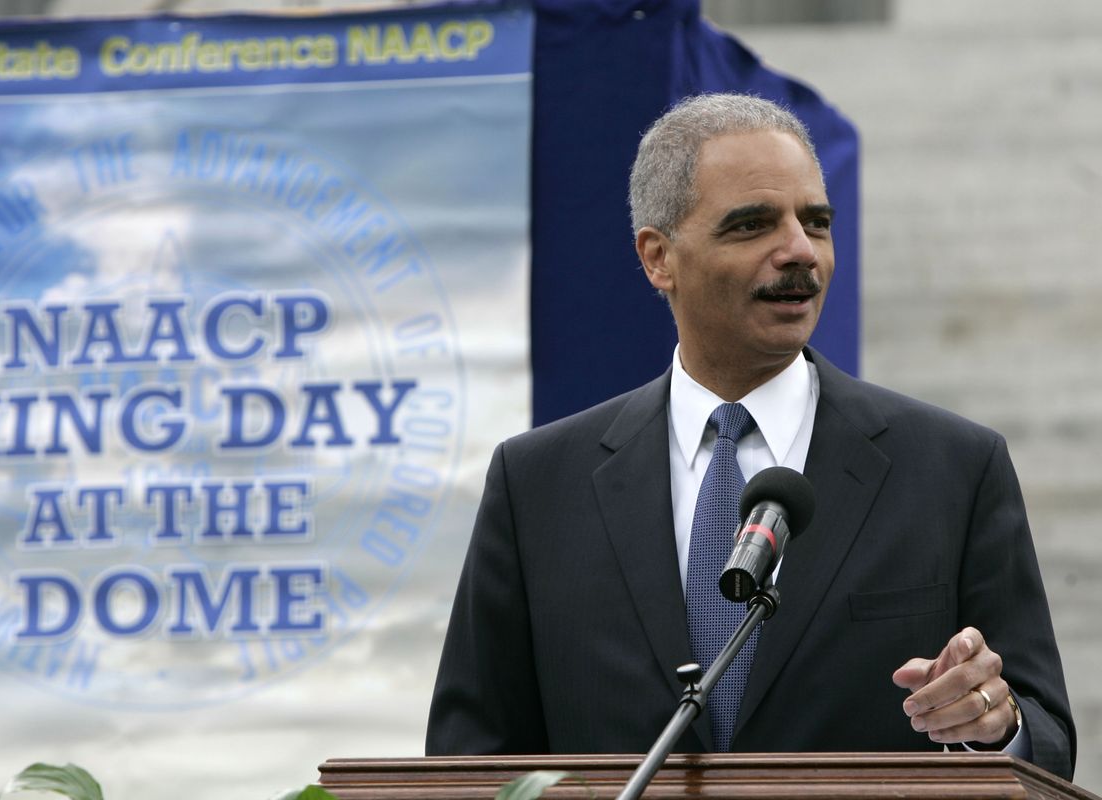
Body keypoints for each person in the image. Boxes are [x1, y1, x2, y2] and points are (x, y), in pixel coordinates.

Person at [425, 93, 1075, 781]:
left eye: (816, 222)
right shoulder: (536, 486)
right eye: (753, 225)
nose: (799, 251)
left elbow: (1047, 736)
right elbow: (471, 760)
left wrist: (992, 725)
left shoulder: (953, 468)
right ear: (658, 258)